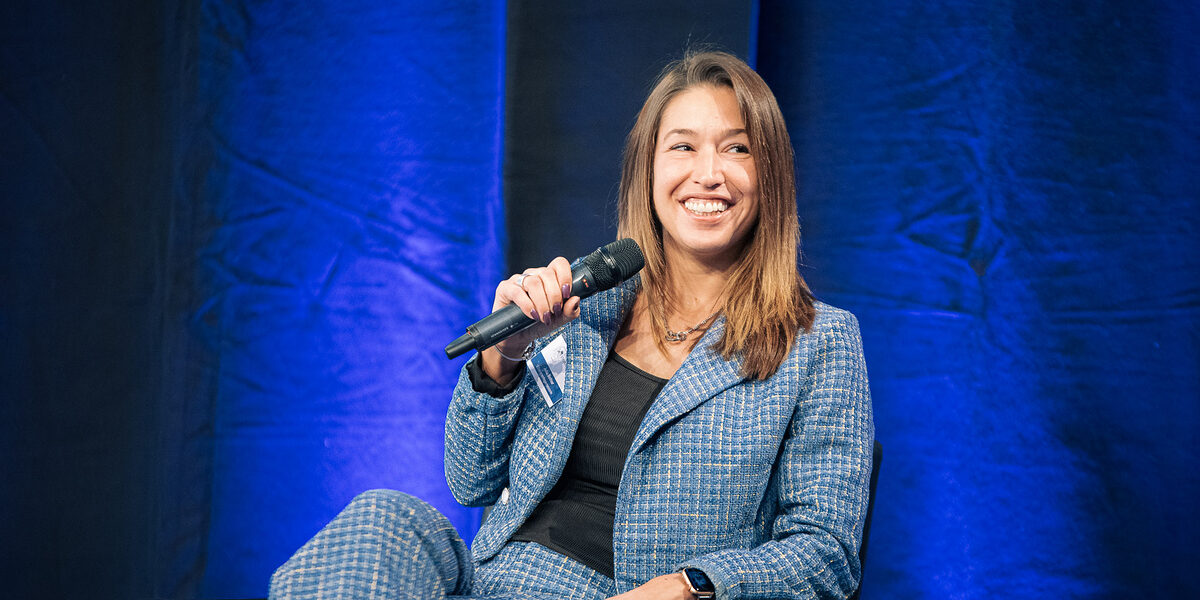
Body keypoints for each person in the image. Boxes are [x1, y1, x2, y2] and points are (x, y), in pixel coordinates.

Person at [271, 51, 873, 600]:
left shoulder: (818, 342)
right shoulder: (591, 301)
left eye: (736, 148)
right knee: (385, 517)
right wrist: (504, 357)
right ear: (649, 170)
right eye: (683, 147)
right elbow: (470, 479)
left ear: (770, 174)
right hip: (492, 582)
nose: (707, 173)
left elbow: (828, 553)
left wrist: (692, 587)